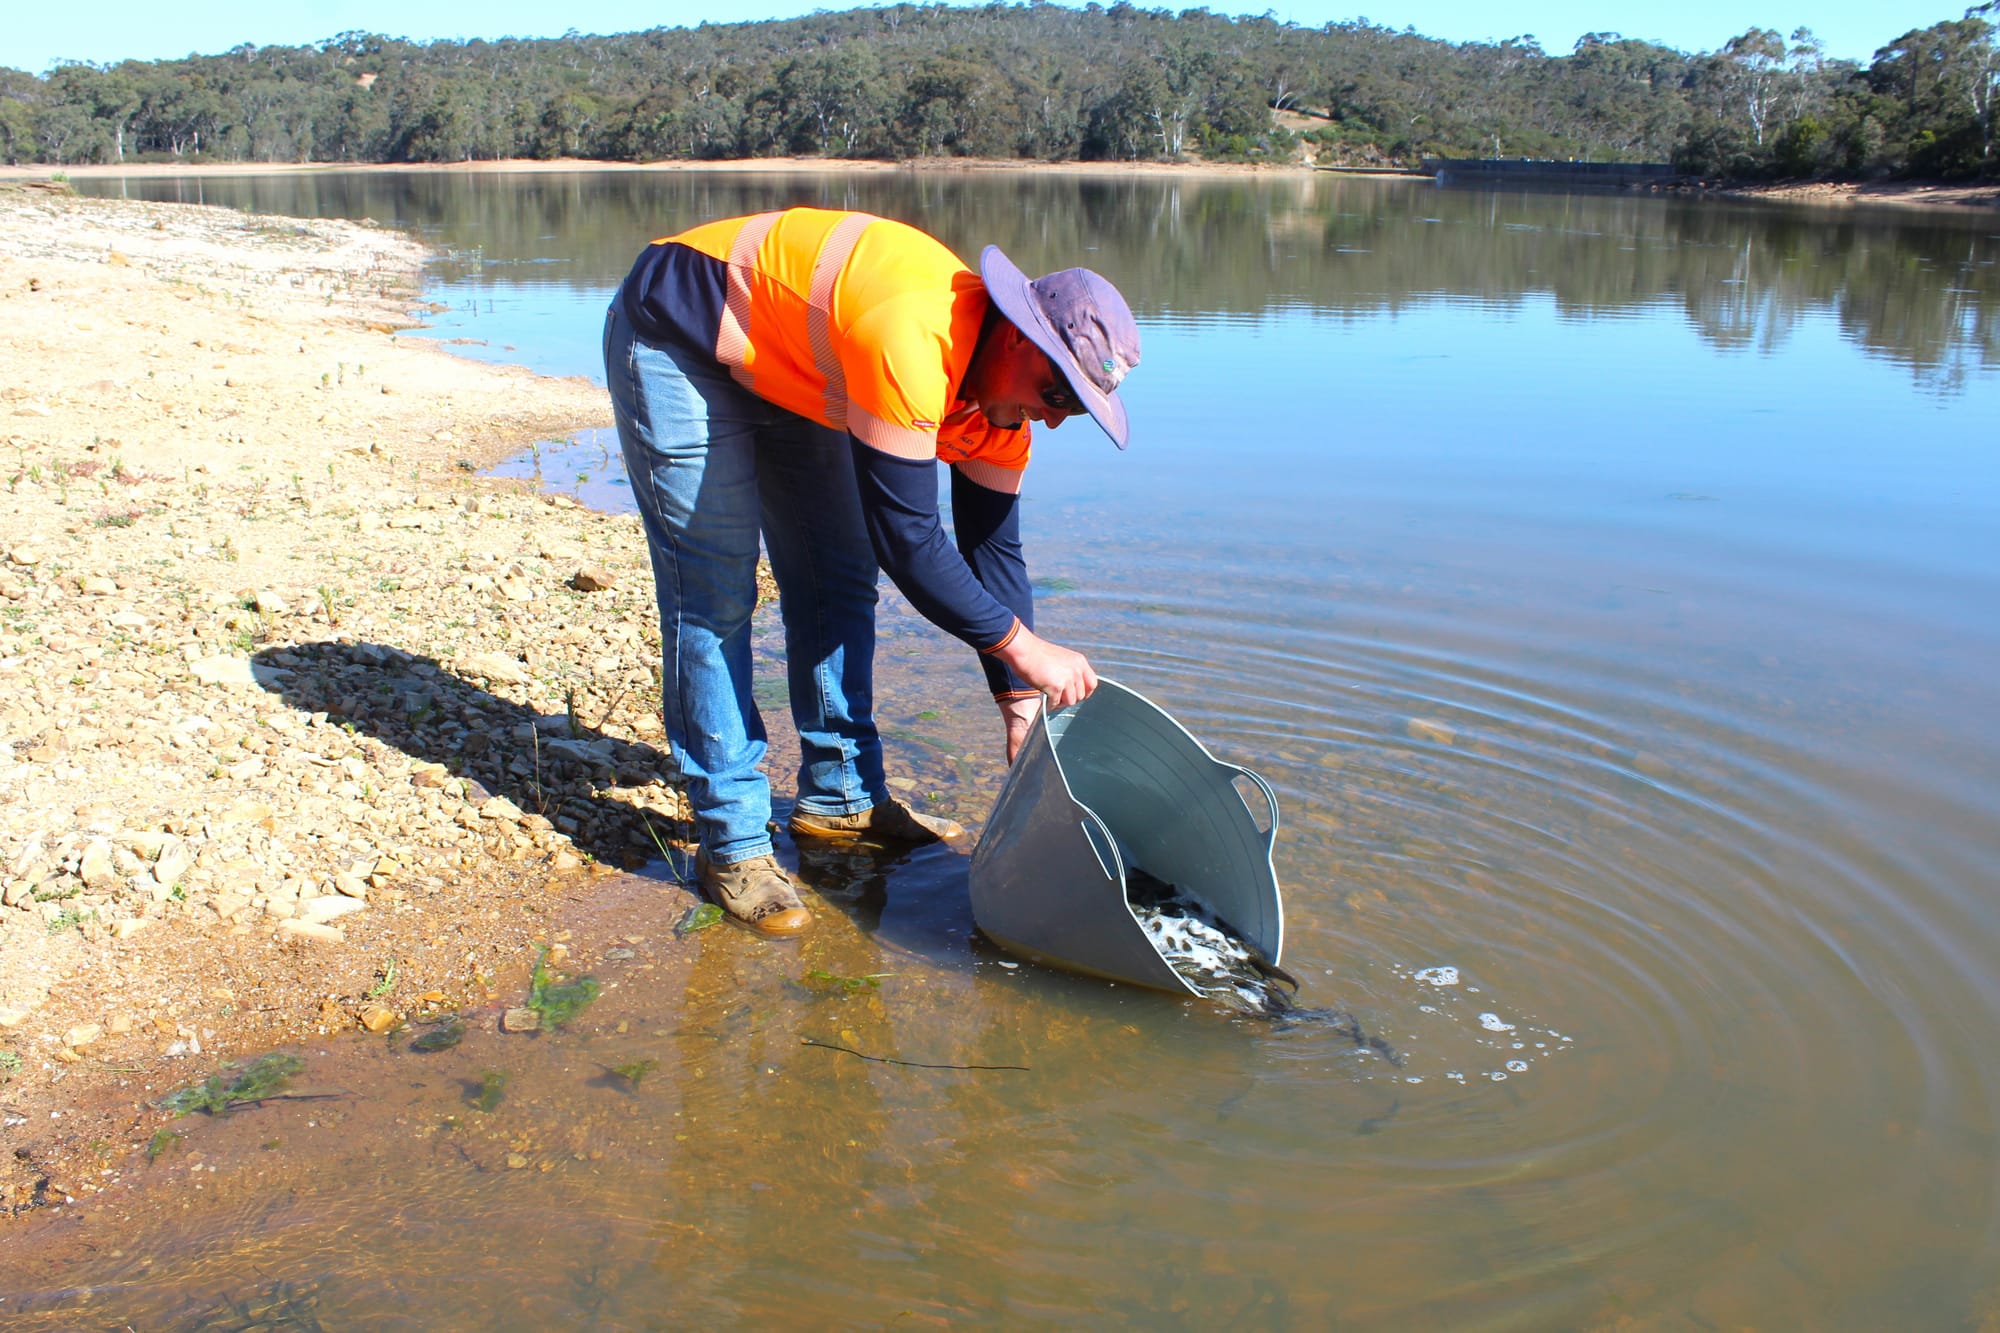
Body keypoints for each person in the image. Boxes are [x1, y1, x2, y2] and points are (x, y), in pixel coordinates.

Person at [604, 207, 1140, 937]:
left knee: (837, 575)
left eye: (1076, 408)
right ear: (1017, 333)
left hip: (793, 366)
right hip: (683, 332)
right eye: (1056, 394)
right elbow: (911, 540)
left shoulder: (1001, 410)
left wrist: (1016, 695)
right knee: (715, 590)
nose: (1052, 418)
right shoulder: (912, 340)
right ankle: (732, 843)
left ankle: (841, 799)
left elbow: (991, 550)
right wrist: (1025, 648)